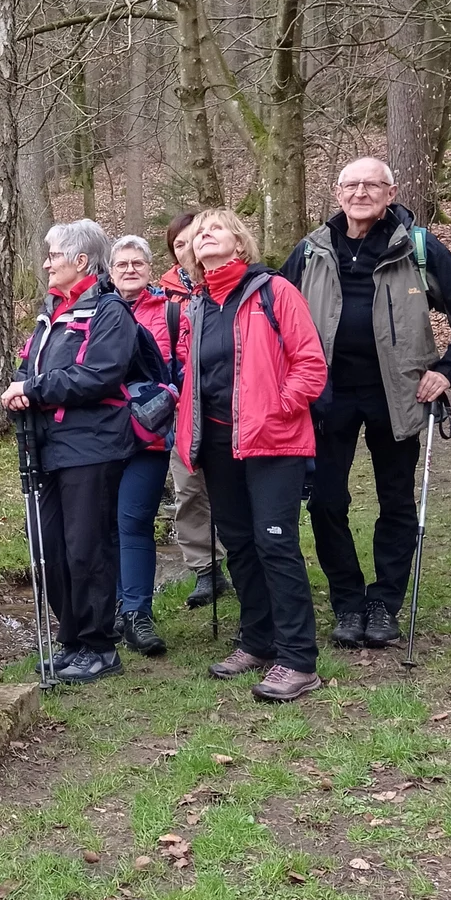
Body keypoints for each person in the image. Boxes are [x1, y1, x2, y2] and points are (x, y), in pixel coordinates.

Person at [282, 158, 451, 648]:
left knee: (396, 501)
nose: (360, 192)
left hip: (397, 394)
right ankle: (347, 601)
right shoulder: (310, 251)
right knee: (326, 501)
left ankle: (383, 603)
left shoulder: (419, 249)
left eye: (371, 184)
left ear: (390, 191)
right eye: (351, 184)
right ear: (337, 193)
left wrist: (446, 371)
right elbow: (273, 322)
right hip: (325, 397)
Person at [175, 209, 331, 702]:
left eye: (214, 230)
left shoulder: (273, 291)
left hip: (273, 441)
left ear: (239, 243)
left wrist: (279, 408)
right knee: (239, 545)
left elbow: (310, 362)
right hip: (219, 444)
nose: (204, 238)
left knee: (275, 543)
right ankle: (258, 641)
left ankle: (298, 659)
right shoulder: (197, 304)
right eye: (198, 234)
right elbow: (192, 371)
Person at [1, 220, 148, 684]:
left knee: (86, 548)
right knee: (50, 549)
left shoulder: (109, 312)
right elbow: (29, 367)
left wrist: (35, 388)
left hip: (93, 445)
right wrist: (22, 392)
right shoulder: (51, 313)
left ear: (81, 261)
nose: (46, 263)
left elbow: (100, 375)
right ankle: (73, 639)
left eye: (53, 256)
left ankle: (100, 646)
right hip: (48, 446)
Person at [105, 235, 176, 657]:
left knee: (133, 520)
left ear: (150, 269)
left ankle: (137, 612)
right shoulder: (95, 311)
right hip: (102, 436)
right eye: (121, 265)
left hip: (150, 437)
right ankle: (115, 606)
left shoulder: (168, 312)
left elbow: (182, 369)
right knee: (106, 524)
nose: (130, 270)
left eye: (138, 263)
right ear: (109, 271)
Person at [162, 211, 229, 609]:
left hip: (226, 405)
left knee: (232, 488)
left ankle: (244, 559)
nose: (189, 249)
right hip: (183, 408)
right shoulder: (165, 297)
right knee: (189, 490)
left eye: (194, 239)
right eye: (180, 244)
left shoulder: (232, 289)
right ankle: (206, 570)